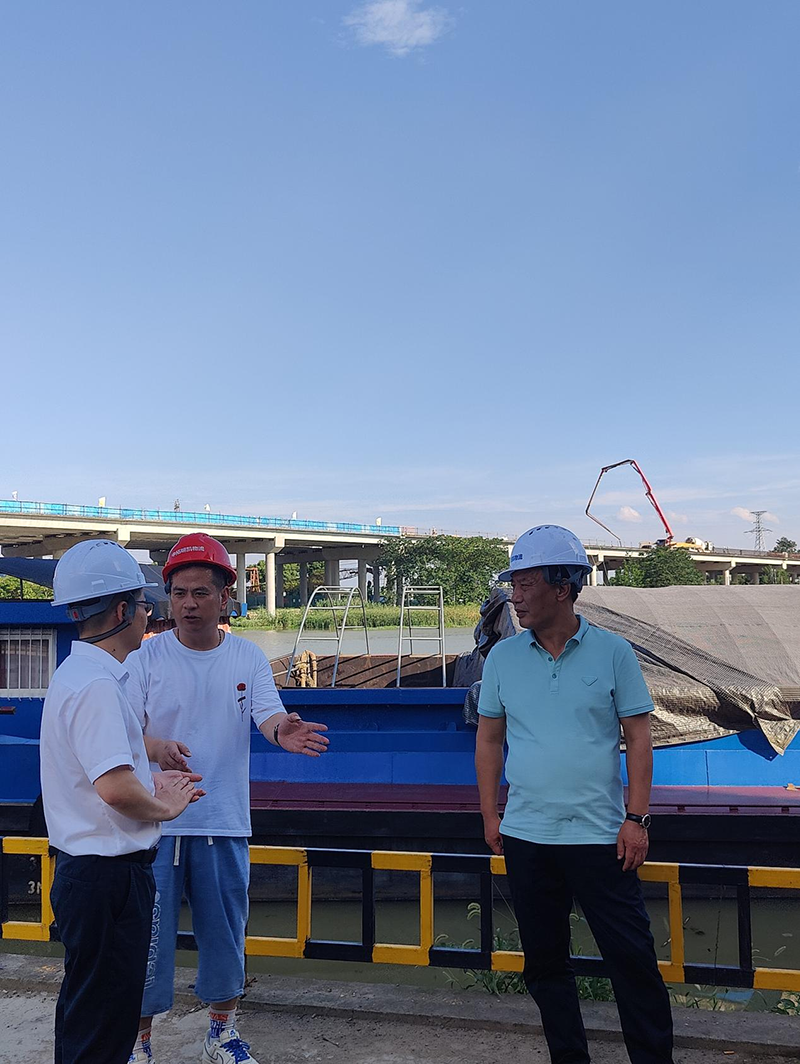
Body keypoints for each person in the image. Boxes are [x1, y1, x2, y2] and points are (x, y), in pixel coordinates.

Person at [125, 533, 329, 1064]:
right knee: (146, 942)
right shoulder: (146, 658)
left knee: (225, 937)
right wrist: (156, 748)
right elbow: (122, 732)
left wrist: (283, 730)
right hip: (156, 824)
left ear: (225, 598)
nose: (189, 604)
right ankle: (139, 1042)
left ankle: (221, 1034)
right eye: (179, 593)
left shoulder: (247, 657)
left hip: (222, 820)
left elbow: (268, 714)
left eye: (201, 592)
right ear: (169, 598)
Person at [476, 525, 674, 1064]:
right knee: (545, 964)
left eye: (525, 583)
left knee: (632, 959)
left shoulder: (613, 652)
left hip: (601, 836)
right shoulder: (503, 659)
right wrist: (491, 815)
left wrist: (637, 818)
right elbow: (489, 741)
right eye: (513, 584)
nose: (515, 597)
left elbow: (638, 738)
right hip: (527, 836)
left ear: (563, 587)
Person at [41, 540, 205, 1064]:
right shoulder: (98, 687)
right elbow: (114, 790)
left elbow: (97, 771)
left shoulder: (77, 675)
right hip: (108, 879)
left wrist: (149, 771)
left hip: (86, 873)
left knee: (88, 1011)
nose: (148, 615)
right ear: (120, 611)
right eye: (143, 606)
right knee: (106, 1024)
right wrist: (166, 806)